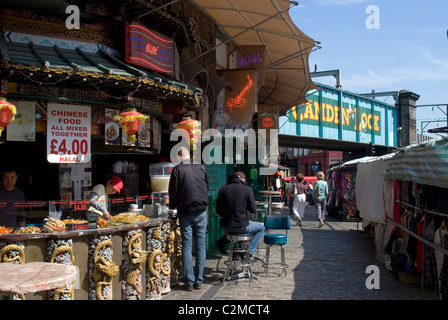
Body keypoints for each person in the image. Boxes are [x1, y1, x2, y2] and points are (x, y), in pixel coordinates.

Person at [169, 147, 209, 291]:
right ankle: (198, 281)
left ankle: (188, 282)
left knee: (186, 246)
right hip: (201, 210)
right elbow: (206, 186)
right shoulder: (201, 167)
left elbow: (173, 192)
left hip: (185, 211)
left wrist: (171, 206)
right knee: (200, 246)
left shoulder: (178, 170)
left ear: (180, 156)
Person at [216, 172, 265, 261]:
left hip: (226, 227)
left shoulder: (223, 189)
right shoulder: (247, 189)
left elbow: (218, 210)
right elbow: (253, 209)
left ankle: (234, 251)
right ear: (244, 180)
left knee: (233, 232)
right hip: (242, 226)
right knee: (261, 227)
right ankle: (249, 253)